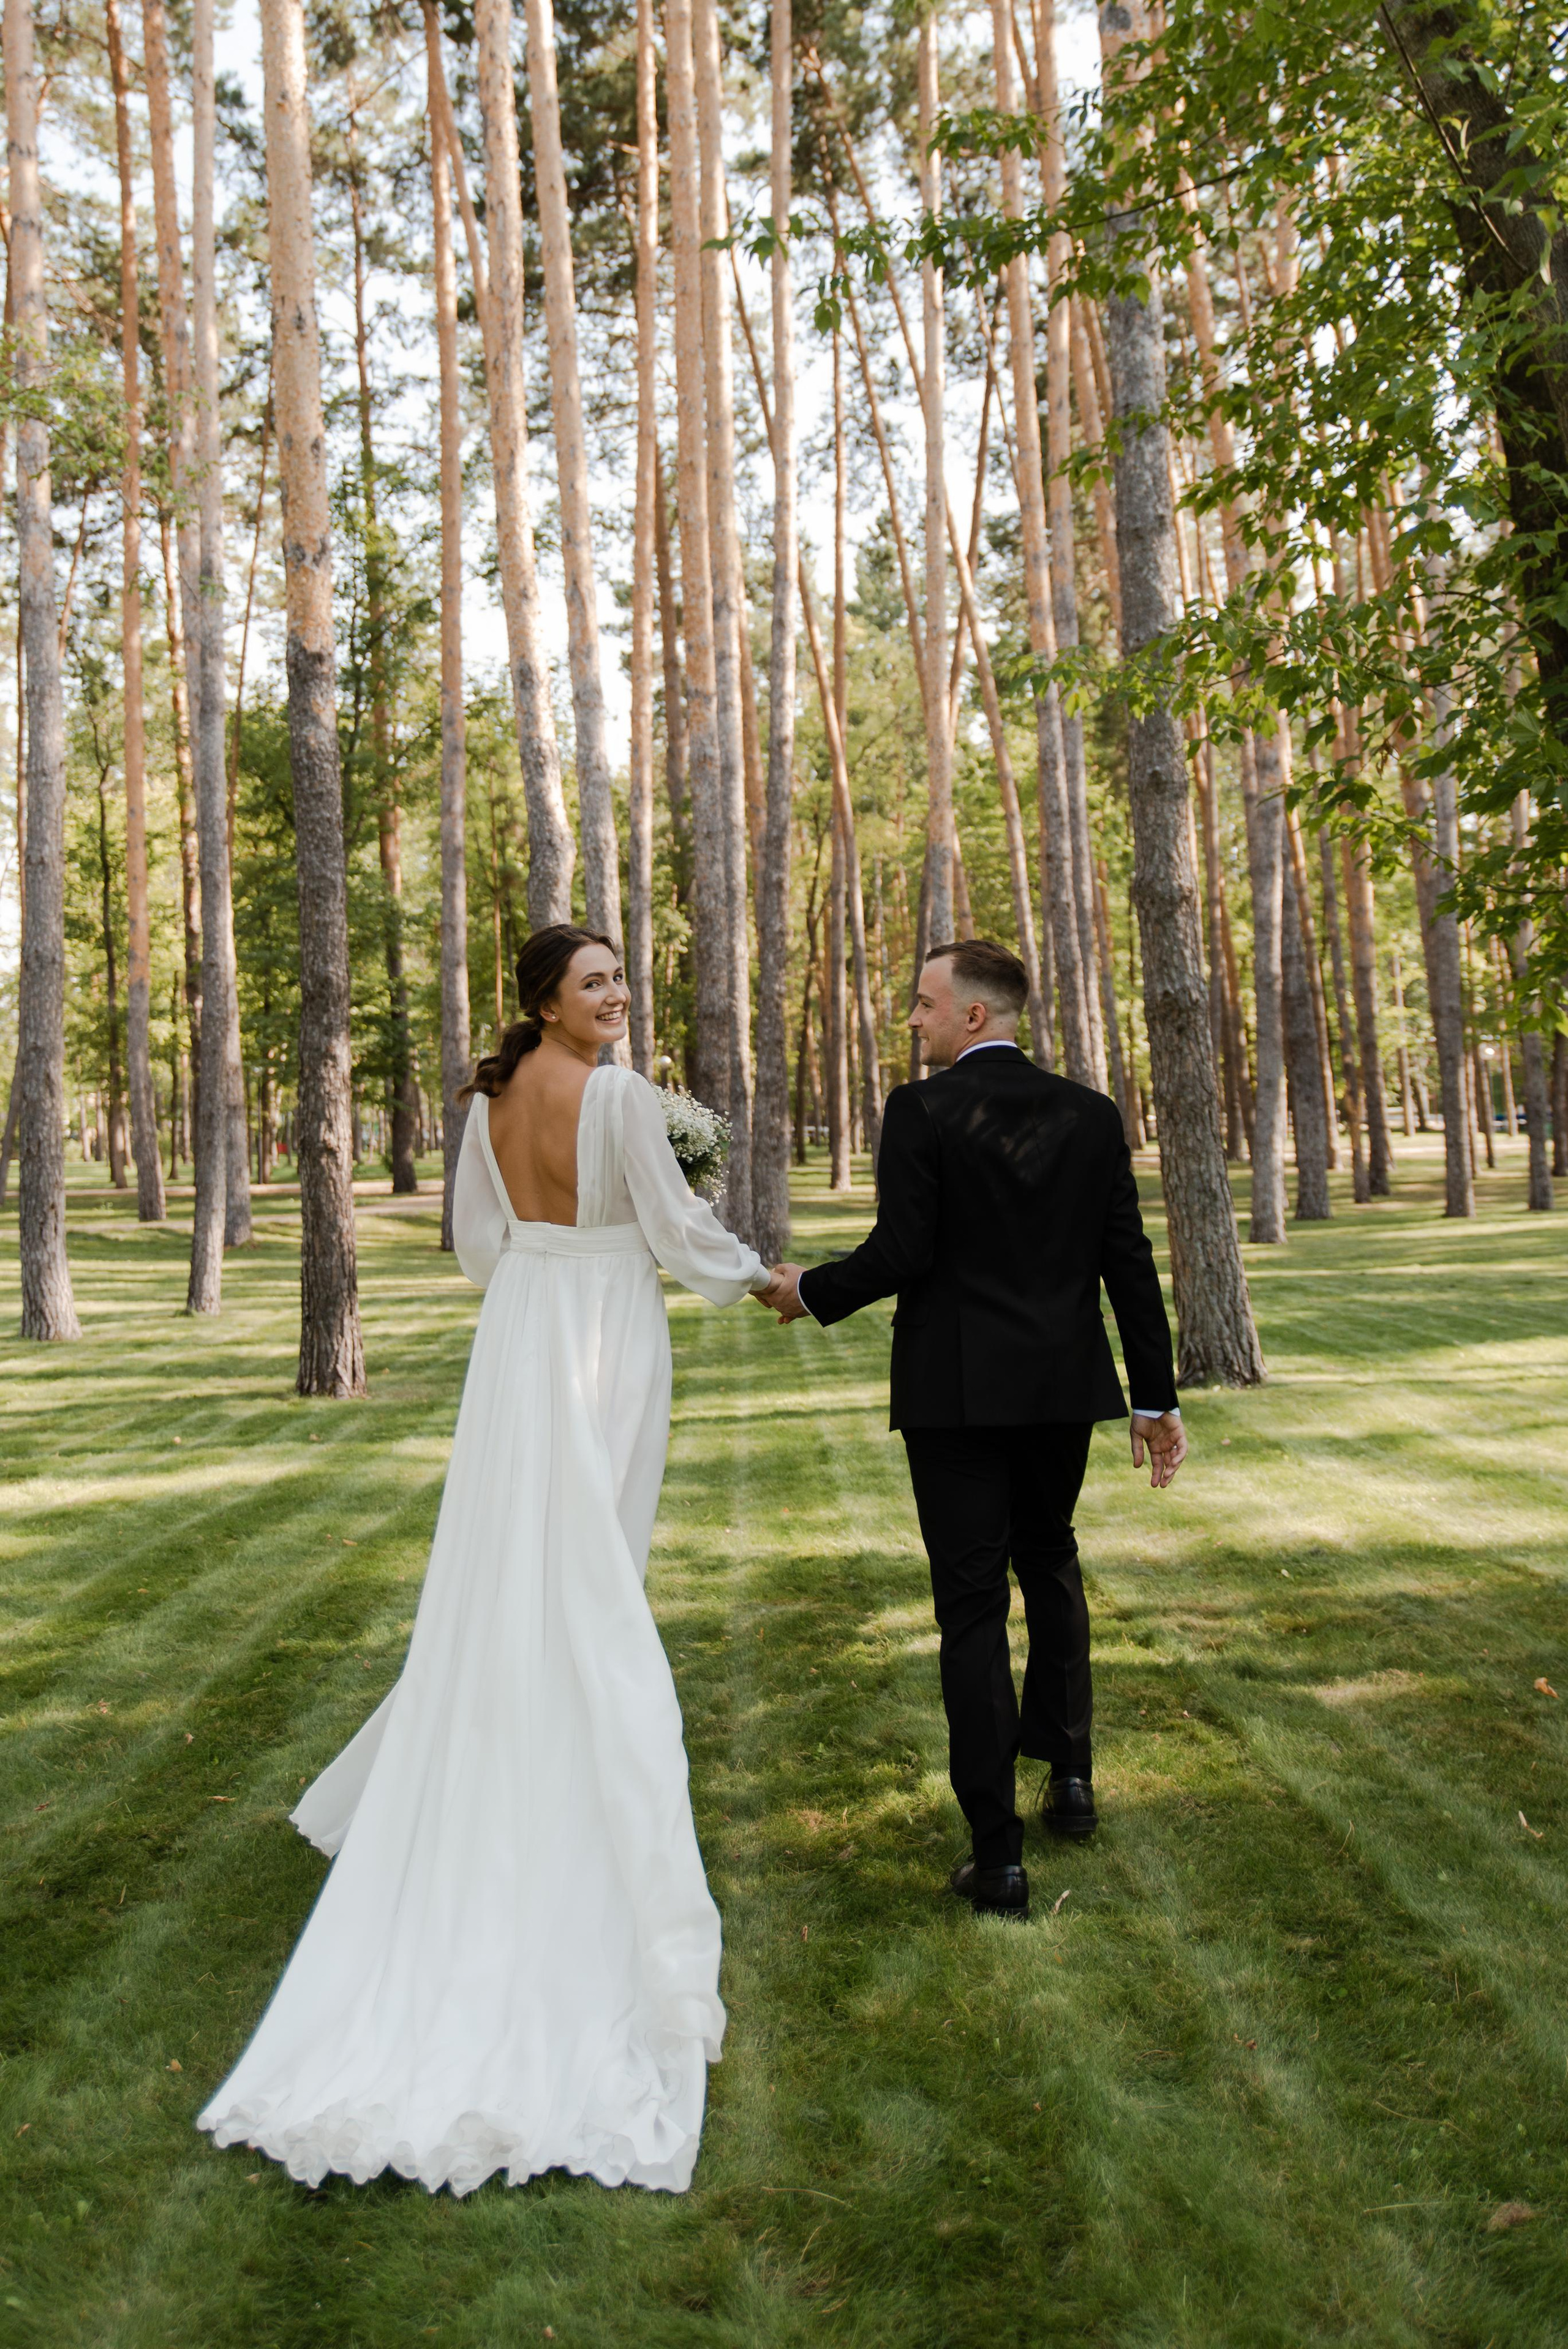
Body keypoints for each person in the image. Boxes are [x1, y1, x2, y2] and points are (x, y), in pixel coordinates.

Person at [199, 925, 785, 2196]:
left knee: (523, 1552)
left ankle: (509, 1721)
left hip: (522, 1335)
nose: (616, 996)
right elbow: (679, 1236)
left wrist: (552, 1255)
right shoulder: (623, 1097)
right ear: (545, 1002)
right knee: (590, 1564)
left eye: (623, 978)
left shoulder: (489, 1102)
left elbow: (475, 1250)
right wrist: (763, 1281)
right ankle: (570, 1750)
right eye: (594, 984)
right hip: (603, 1329)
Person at [761, 938, 1186, 1921]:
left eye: (923, 1003)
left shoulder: (921, 1109)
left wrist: (808, 1292)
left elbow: (905, 1249)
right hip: (1058, 1389)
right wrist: (1153, 1398)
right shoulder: (1091, 1114)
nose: (911, 1018)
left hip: (954, 1396)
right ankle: (1070, 1777)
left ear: (975, 1017)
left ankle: (997, 1856)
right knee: (1052, 1561)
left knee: (970, 1606)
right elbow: (1129, 1263)